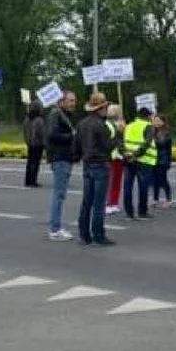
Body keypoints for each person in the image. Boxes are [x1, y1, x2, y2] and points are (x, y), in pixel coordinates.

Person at [73, 92, 117, 246]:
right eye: (106, 107)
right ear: (101, 108)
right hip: (100, 164)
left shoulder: (82, 123)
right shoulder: (101, 125)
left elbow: (76, 147)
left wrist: (79, 157)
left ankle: (84, 234)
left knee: (87, 202)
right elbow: (108, 146)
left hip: (87, 164)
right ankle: (98, 234)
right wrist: (119, 133)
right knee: (99, 203)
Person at [46, 90, 77, 240]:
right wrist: (71, 136)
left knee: (61, 194)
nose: (73, 103)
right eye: (70, 100)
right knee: (59, 194)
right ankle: (55, 229)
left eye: (74, 100)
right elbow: (52, 135)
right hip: (60, 158)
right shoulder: (55, 114)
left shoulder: (65, 115)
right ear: (62, 101)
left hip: (66, 157)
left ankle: (56, 226)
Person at [122, 107, 157, 220]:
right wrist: (136, 155)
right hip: (144, 161)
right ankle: (142, 212)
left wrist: (126, 154)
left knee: (128, 186)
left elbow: (121, 141)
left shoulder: (128, 126)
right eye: (151, 116)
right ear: (147, 116)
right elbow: (146, 144)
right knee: (143, 187)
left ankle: (129, 213)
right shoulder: (149, 127)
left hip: (128, 160)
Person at [105, 103, 126, 215]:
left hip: (119, 156)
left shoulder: (122, 123)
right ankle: (108, 203)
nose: (116, 113)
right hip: (110, 156)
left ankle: (114, 203)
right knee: (110, 181)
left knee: (117, 181)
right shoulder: (107, 124)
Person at [150, 115, 174, 207]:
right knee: (154, 180)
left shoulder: (166, 132)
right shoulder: (152, 131)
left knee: (163, 179)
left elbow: (163, 145)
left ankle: (169, 199)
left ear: (163, 122)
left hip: (163, 159)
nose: (156, 122)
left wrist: (168, 161)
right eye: (155, 120)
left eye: (158, 120)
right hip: (153, 159)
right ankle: (155, 199)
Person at [23, 100, 46, 187]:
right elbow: (42, 134)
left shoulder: (27, 119)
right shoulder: (39, 120)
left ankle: (27, 180)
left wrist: (27, 141)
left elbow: (24, 131)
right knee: (35, 163)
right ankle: (33, 180)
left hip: (29, 143)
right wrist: (45, 145)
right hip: (37, 144)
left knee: (29, 162)